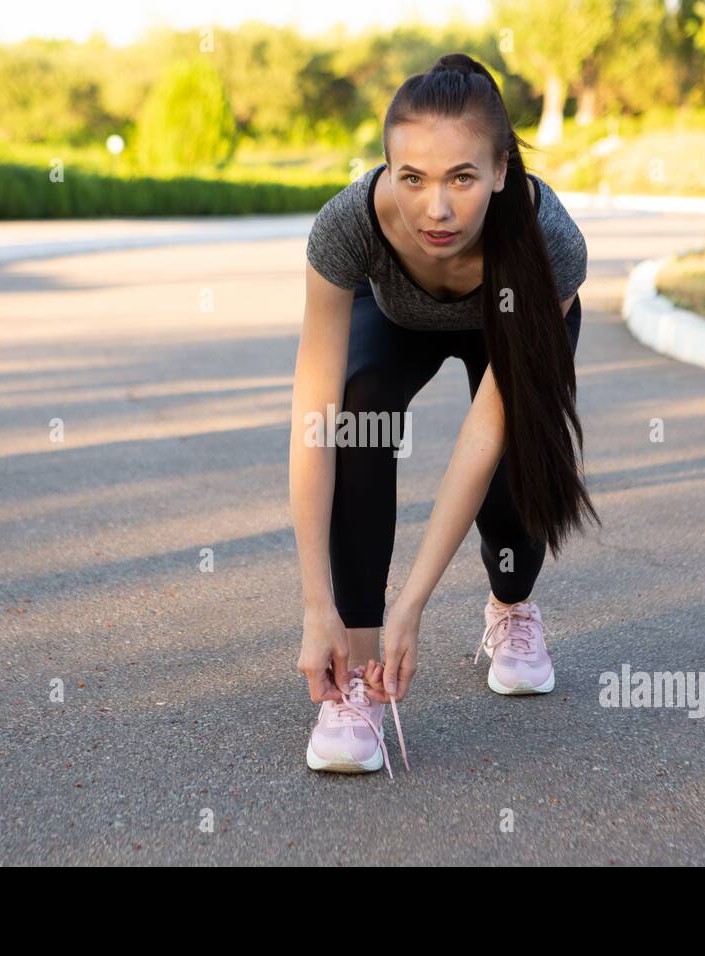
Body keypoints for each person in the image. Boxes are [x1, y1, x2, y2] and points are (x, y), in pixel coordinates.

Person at [289, 52, 601, 778]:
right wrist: (317, 604)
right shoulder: (346, 228)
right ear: (386, 169)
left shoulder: (550, 242)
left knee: (515, 459)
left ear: (499, 170)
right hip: (395, 316)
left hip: (509, 314)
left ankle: (511, 608)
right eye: (413, 179)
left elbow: (483, 433)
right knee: (357, 412)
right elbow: (313, 417)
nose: (436, 209)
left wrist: (416, 603)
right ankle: (358, 676)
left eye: (462, 178)